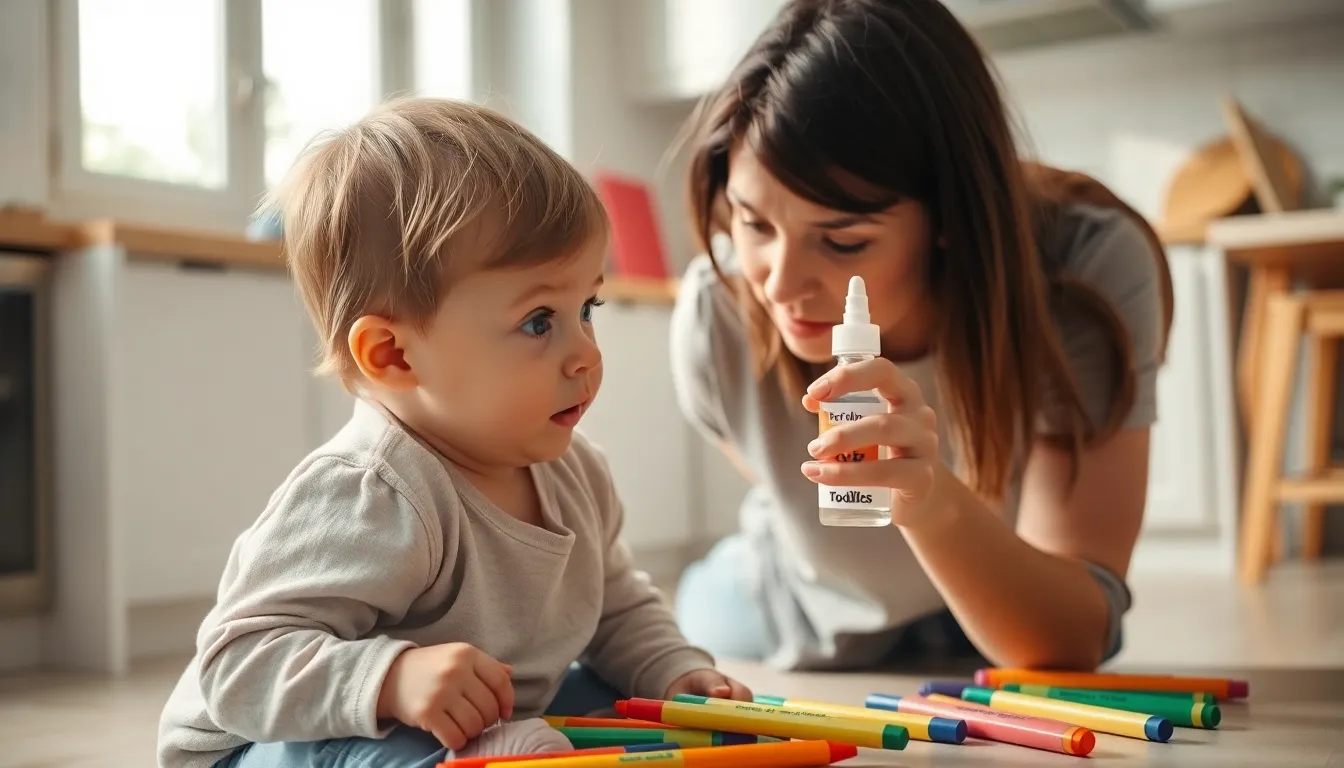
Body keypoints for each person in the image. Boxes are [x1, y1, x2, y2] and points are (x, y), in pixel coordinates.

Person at [157, 97, 750, 768]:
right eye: (538, 322)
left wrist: (674, 673)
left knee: (621, 705)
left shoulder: (576, 471)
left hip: (492, 719)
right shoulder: (371, 492)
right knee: (389, 748)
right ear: (393, 355)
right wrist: (391, 681)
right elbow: (237, 666)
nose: (585, 351)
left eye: (586, 307)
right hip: (266, 743)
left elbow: (615, 607)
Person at [669, 0, 1173, 674]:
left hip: (1003, 606)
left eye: (842, 240)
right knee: (681, 612)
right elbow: (775, 480)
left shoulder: (1085, 271)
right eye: (754, 225)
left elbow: (1076, 636)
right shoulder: (717, 312)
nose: (781, 285)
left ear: (950, 215)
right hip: (794, 605)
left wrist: (929, 500)